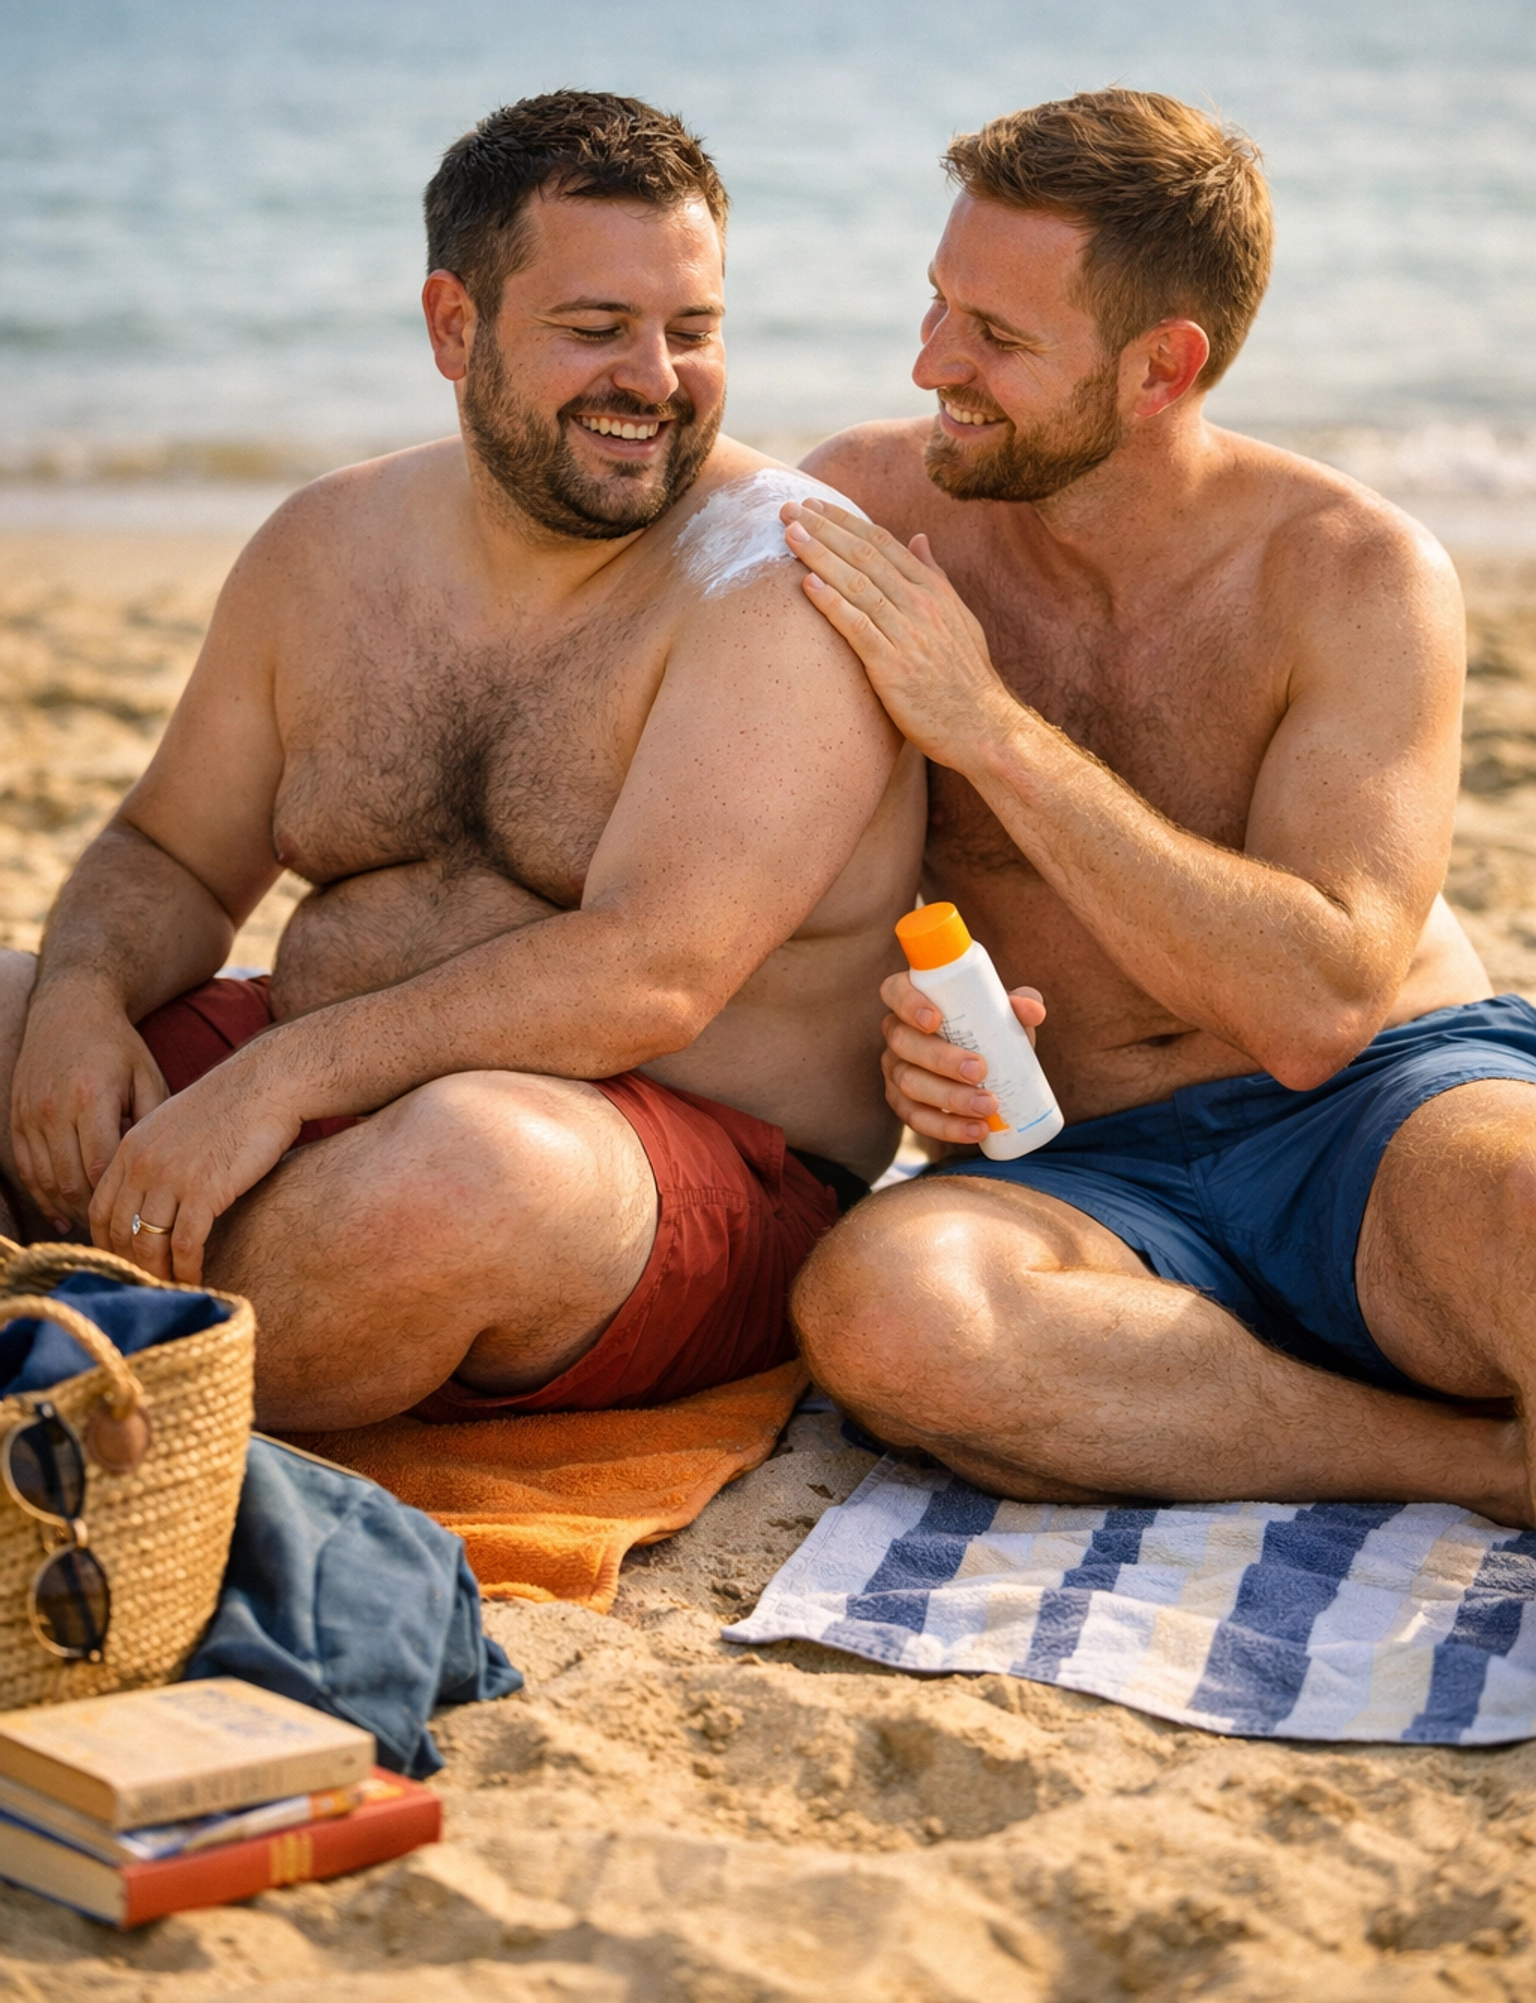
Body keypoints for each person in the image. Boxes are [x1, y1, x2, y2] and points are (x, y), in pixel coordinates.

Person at [0, 90, 923, 1431]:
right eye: (598, 329)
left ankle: (82, 1374)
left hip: (665, 1170)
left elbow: (650, 973)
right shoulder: (327, 546)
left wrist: (278, 1082)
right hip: (315, 1069)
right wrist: (83, 999)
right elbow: (171, 856)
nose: (655, 381)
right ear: (454, 325)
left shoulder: (775, 582)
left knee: (457, 1179)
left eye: (694, 329)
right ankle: (100, 1353)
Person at [782, 86, 1536, 1528]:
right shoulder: (871, 511)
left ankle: (1242, 1395)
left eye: (997, 338)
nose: (933, 360)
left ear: (1160, 368)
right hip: (1074, 1161)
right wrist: (899, 1030)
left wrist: (989, 728)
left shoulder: (1354, 573)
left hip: (1379, 1116)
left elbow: (1320, 1001)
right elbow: (772, 869)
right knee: (888, 1314)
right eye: (939, 303)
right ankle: (1468, 1462)